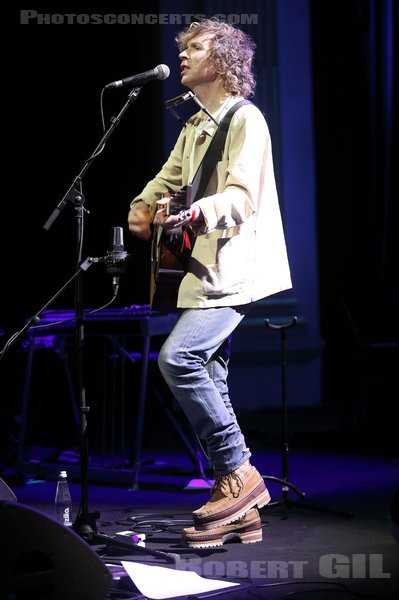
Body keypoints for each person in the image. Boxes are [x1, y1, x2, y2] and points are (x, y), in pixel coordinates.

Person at [127, 18, 292, 547]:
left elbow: (242, 197)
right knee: (211, 378)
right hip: (199, 276)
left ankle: (239, 474)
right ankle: (241, 514)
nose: (183, 56)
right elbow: (165, 182)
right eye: (184, 49)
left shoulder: (248, 120)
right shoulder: (194, 126)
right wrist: (142, 207)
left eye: (195, 48)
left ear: (222, 60)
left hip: (236, 273)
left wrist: (194, 215)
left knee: (179, 359)